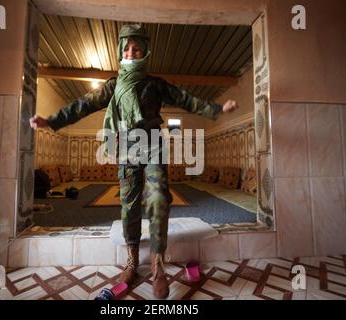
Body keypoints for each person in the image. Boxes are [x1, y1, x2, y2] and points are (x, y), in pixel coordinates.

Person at [29, 24, 238, 299]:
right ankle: (131, 260)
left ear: (145, 52)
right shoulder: (113, 86)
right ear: (120, 52)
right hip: (126, 149)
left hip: (153, 146)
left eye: (137, 48)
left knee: (158, 199)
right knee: (129, 205)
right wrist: (52, 121)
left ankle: (158, 264)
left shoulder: (156, 83)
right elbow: (83, 104)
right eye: (127, 48)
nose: (131, 53)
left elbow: (186, 99)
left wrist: (217, 109)